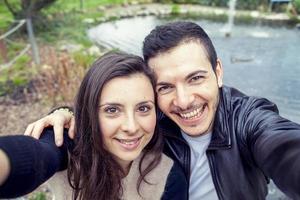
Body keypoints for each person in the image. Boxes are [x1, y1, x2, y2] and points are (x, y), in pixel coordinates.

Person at [21, 21, 300, 199]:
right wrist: (65, 113)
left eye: (196, 78)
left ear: (218, 72)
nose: (184, 100)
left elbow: (283, 146)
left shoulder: (248, 119)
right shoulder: (150, 123)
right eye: (165, 87)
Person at [0, 52, 188, 200]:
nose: (131, 127)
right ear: (90, 113)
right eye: (112, 110)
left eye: (144, 108)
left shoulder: (168, 177)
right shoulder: (70, 144)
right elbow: (38, 157)